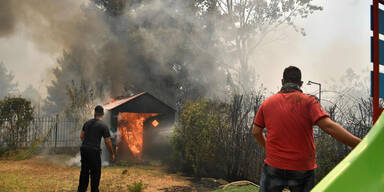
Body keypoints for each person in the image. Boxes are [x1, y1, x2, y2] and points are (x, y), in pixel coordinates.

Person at [252, 66, 361, 192]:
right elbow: (329, 127)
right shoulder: (309, 102)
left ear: (282, 82)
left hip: (273, 165)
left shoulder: (267, 103)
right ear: (301, 83)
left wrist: (269, 148)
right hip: (302, 167)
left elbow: (256, 132)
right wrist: (360, 144)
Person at [78, 105, 115, 192]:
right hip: (94, 152)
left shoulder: (86, 123)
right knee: (95, 174)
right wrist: (112, 153)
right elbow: (108, 141)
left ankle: (81, 190)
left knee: (84, 172)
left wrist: (87, 142)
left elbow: (81, 136)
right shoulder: (103, 126)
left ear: (94, 113)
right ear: (102, 114)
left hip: (84, 150)